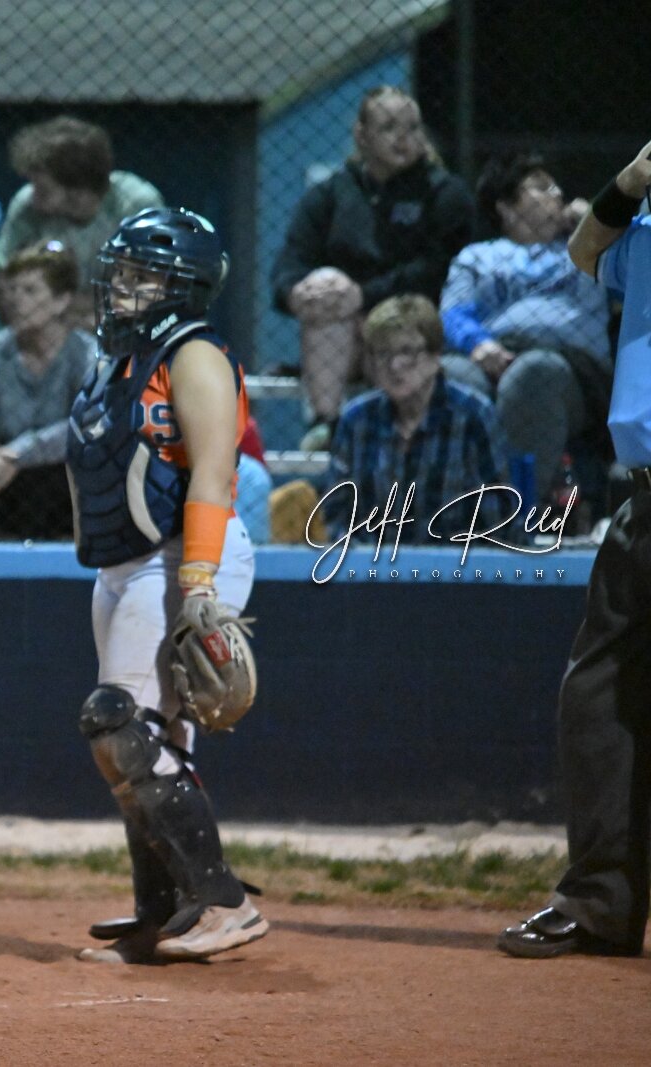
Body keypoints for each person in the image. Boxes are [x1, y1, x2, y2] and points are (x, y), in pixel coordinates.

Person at [66, 207, 267, 963]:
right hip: (123, 567)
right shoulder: (117, 359)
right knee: (142, 739)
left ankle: (223, 902)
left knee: (122, 724)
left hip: (184, 555)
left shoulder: (196, 354)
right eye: (120, 271)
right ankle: (164, 912)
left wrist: (200, 582)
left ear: (184, 287)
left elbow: (214, 471)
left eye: (143, 275)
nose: (123, 285)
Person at [497, 138, 651, 961]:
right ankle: (599, 899)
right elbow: (586, 249)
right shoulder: (644, 222)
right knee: (597, 691)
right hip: (645, 495)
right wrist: (629, 181)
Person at [271, 86, 474, 451]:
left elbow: (437, 270)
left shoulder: (444, 193)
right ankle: (328, 426)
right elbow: (290, 262)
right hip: (345, 335)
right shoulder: (331, 193)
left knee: (385, 318)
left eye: (413, 127)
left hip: (414, 326)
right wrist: (296, 294)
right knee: (325, 283)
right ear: (361, 135)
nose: (404, 137)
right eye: (389, 127)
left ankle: (404, 433)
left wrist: (364, 296)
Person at [439, 152, 610, 499]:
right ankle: (453, 507)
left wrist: (597, 222)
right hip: (492, 355)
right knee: (450, 375)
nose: (557, 194)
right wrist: (478, 344)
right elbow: (453, 312)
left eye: (556, 187)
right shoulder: (478, 256)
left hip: (570, 368)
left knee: (533, 373)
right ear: (506, 207)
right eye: (541, 187)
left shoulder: (590, 248)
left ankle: (512, 513)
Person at [321, 295, 505, 542]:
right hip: (369, 561)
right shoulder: (357, 419)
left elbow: (498, 520)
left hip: (453, 562)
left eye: (407, 352)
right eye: (383, 354)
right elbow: (334, 514)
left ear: (435, 357)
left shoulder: (473, 415)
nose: (394, 365)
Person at [0, 242, 96, 540]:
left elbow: (85, 427)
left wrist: (16, 456)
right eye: (12, 290)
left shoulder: (87, 356)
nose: (16, 300)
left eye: (30, 291)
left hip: (57, 475)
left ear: (61, 301)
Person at [0, 116, 164, 301]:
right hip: (45, 315)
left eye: (42, 189)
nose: (33, 195)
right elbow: (2, 276)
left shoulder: (135, 204)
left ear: (78, 190)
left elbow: (153, 284)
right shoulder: (27, 206)